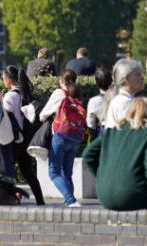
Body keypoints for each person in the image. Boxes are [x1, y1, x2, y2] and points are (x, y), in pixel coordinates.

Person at [84, 97, 147, 210]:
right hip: (133, 191)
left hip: (103, 194)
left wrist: (101, 176)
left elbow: (88, 155)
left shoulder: (113, 131)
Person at [39, 69, 86, 207]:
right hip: (75, 138)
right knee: (67, 173)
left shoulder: (59, 93)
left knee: (54, 172)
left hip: (60, 136)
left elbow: (43, 115)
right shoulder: (76, 93)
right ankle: (70, 200)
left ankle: (70, 200)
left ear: (61, 81)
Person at [0, 65, 44, 204]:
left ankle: (11, 199)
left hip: (14, 140)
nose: (3, 80)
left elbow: (8, 118)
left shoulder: (9, 96)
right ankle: (40, 201)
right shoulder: (25, 94)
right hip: (26, 139)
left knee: (7, 172)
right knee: (28, 173)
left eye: (3, 78)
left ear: (8, 79)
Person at [103, 58, 147, 128]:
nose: (143, 78)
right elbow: (133, 133)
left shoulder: (126, 100)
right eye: (138, 75)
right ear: (127, 78)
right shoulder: (124, 102)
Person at [86, 66, 112, 141]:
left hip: (103, 133)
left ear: (96, 82)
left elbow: (91, 123)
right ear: (111, 81)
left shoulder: (94, 101)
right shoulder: (119, 98)